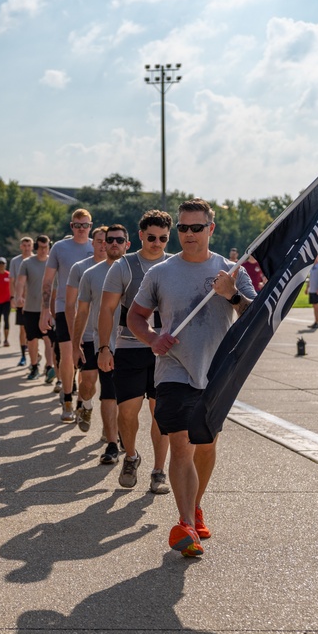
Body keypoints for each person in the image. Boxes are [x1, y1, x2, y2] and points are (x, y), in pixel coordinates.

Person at [128, 198, 256, 557]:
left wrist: (230, 295)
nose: (187, 234)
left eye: (195, 227)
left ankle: (195, 507)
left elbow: (255, 318)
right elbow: (135, 317)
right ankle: (186, 524)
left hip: (216, 371)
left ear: (210, 229)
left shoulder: (232, 271)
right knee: (181, 443)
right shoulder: (160, 273)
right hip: (173, 369)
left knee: (207, 443)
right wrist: (152, 337)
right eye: (182, 228)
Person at [98, 210, 172, 494]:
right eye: (151, 237)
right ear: (140, 236)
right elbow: (107, 309)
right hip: (129, 347)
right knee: (127, 413)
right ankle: (131, 456)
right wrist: (105, 347)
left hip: (164, 353)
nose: (157, 243)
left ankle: (158, 471)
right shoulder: (124, 266)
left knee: (161, 414)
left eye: (163, 238)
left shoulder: (174, 265)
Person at [73, 225, 127, 464]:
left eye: (117, 240)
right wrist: (76, 343)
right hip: (97, 340)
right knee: (88, 385)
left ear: (127, 243)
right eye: (108, 240)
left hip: (128, 343)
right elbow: (82, 311)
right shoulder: (91, 274)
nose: (112, 244)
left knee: (116, 393)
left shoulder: (136, 271)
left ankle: (114, 440)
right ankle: (85, 403)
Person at [41, 210, 95, 422]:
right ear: (71, 227)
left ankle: (82, 400)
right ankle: (67, 399)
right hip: (65, 307)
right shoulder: (60, 248)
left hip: (90, 309)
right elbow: (48, 281)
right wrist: (45, 310)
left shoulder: (97, 246)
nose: (81, 229)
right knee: (66, 354)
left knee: (84, 356)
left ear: (91, 226)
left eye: (85, 225)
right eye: (77, 225)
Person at [63, 227, 107, 432]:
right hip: (88, 335)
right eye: (99, 241)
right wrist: (75, 339)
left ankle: (113, 435)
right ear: (93, 243)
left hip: (114, 338)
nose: (103, 245)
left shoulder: (121, 268)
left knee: (112, 388)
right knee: (88, 380)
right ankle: (86, 406)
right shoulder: (81, 269)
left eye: (107, 241)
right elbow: (70, 305)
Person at [15, 235, 55, 382]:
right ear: (36, 247)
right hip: (31, 307)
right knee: (31, 339)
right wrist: (18, 296)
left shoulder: (53, 262)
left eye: (46, 247)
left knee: (48, 340)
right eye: (40, 247)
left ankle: (49, 367)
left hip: (48, 308)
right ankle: (34, 366)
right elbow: (20, 282)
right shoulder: (27, 263)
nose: (43, 250)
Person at [9, 237, 34, 366]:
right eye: (24, 245)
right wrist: (13, 297)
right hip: (21, 301)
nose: (26, 248)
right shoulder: (15, 261)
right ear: (20, 246)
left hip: (35, 300)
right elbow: (12, 281)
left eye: (29, 245)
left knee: (36, 331)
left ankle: (36, 356)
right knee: (23, 329)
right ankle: (23, 356)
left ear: (32, 246)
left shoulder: (38, 260)